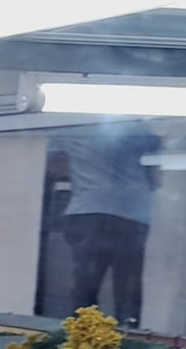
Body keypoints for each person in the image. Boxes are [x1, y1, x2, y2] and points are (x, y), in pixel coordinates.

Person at [46, 119, 159, 328]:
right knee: (129, 287)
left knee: (86, 284)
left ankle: (82, 337)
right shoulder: (136, 124)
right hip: (132, 212)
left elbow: (54, 167)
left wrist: (85, 172)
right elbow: (155, 175)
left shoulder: (69, 124)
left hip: (89, 207)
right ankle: (129, 337)